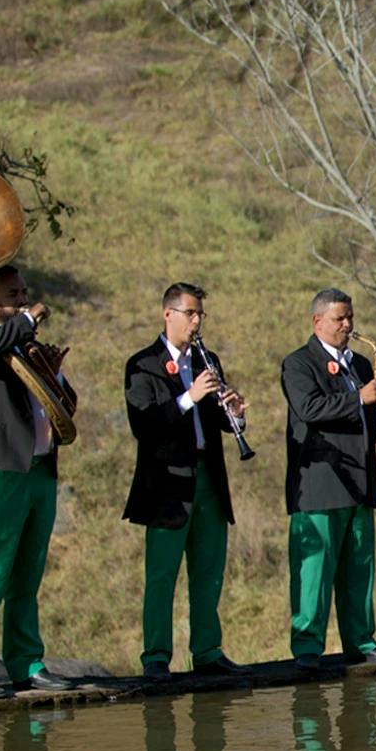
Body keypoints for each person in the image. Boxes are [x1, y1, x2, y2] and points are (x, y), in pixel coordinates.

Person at [0, 265, 79, 700]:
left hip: (38, 469)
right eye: (13, 294)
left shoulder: (26, 343)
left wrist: (53, 373)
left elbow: (66, 404)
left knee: (27, 572)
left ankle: (26, 663)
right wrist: (23, 322)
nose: (23, 300)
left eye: (24, 293)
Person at [123, 282, 248, 680]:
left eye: (200, 315)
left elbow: (217, 421)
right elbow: (144, 425)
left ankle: (208, 651)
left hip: (208, 477)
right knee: (162, 575)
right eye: (190, 313)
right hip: (167, 484)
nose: (196, 322)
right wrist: (188, 397)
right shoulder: (143, 364)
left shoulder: (208, 360)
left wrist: (235, 414)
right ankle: (156, 656)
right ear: (168, 314)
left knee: (209, 571)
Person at [283, 288, 376, 670]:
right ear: (317, 321)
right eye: (339, 319)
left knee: (359, 570)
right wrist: (359, 399)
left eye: (350, 317)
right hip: (320, 484)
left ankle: (361, 641)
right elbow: (309, 408)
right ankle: (307, 648)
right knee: (314, 572)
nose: (348, 325)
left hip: (359, 482)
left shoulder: (361, 364)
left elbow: (362, 411)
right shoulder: (298, 363)